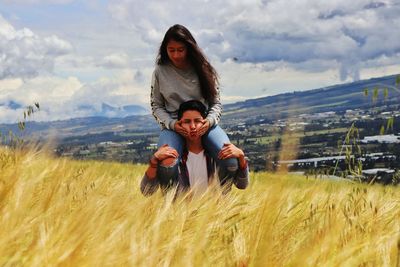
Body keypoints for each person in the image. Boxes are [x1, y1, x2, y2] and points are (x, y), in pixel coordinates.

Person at [150, 24, 238, 186]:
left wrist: (208, 122)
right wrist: (173, 125)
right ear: (165, 49)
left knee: (230, 161)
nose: (176, 55)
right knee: (167, 164)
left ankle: (221, 203)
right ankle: (172, 207)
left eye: (180, 49)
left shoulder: (204, 68)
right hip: (174, 127)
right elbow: (156, 106)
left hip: (203, 124)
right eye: (171, 50)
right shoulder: (160, 71)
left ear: (189, 48)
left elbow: (216, 103)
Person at [141, 100, 249, 197]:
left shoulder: (217, 154)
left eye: (197, 121)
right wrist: (154, 160)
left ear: (205, 123)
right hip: (180, 217)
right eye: (187, 122)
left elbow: (242, 185)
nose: (192, 126)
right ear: (179, 124)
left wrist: (241, 157)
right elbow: (147, 191)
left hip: (215, 215)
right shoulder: (173, 157)